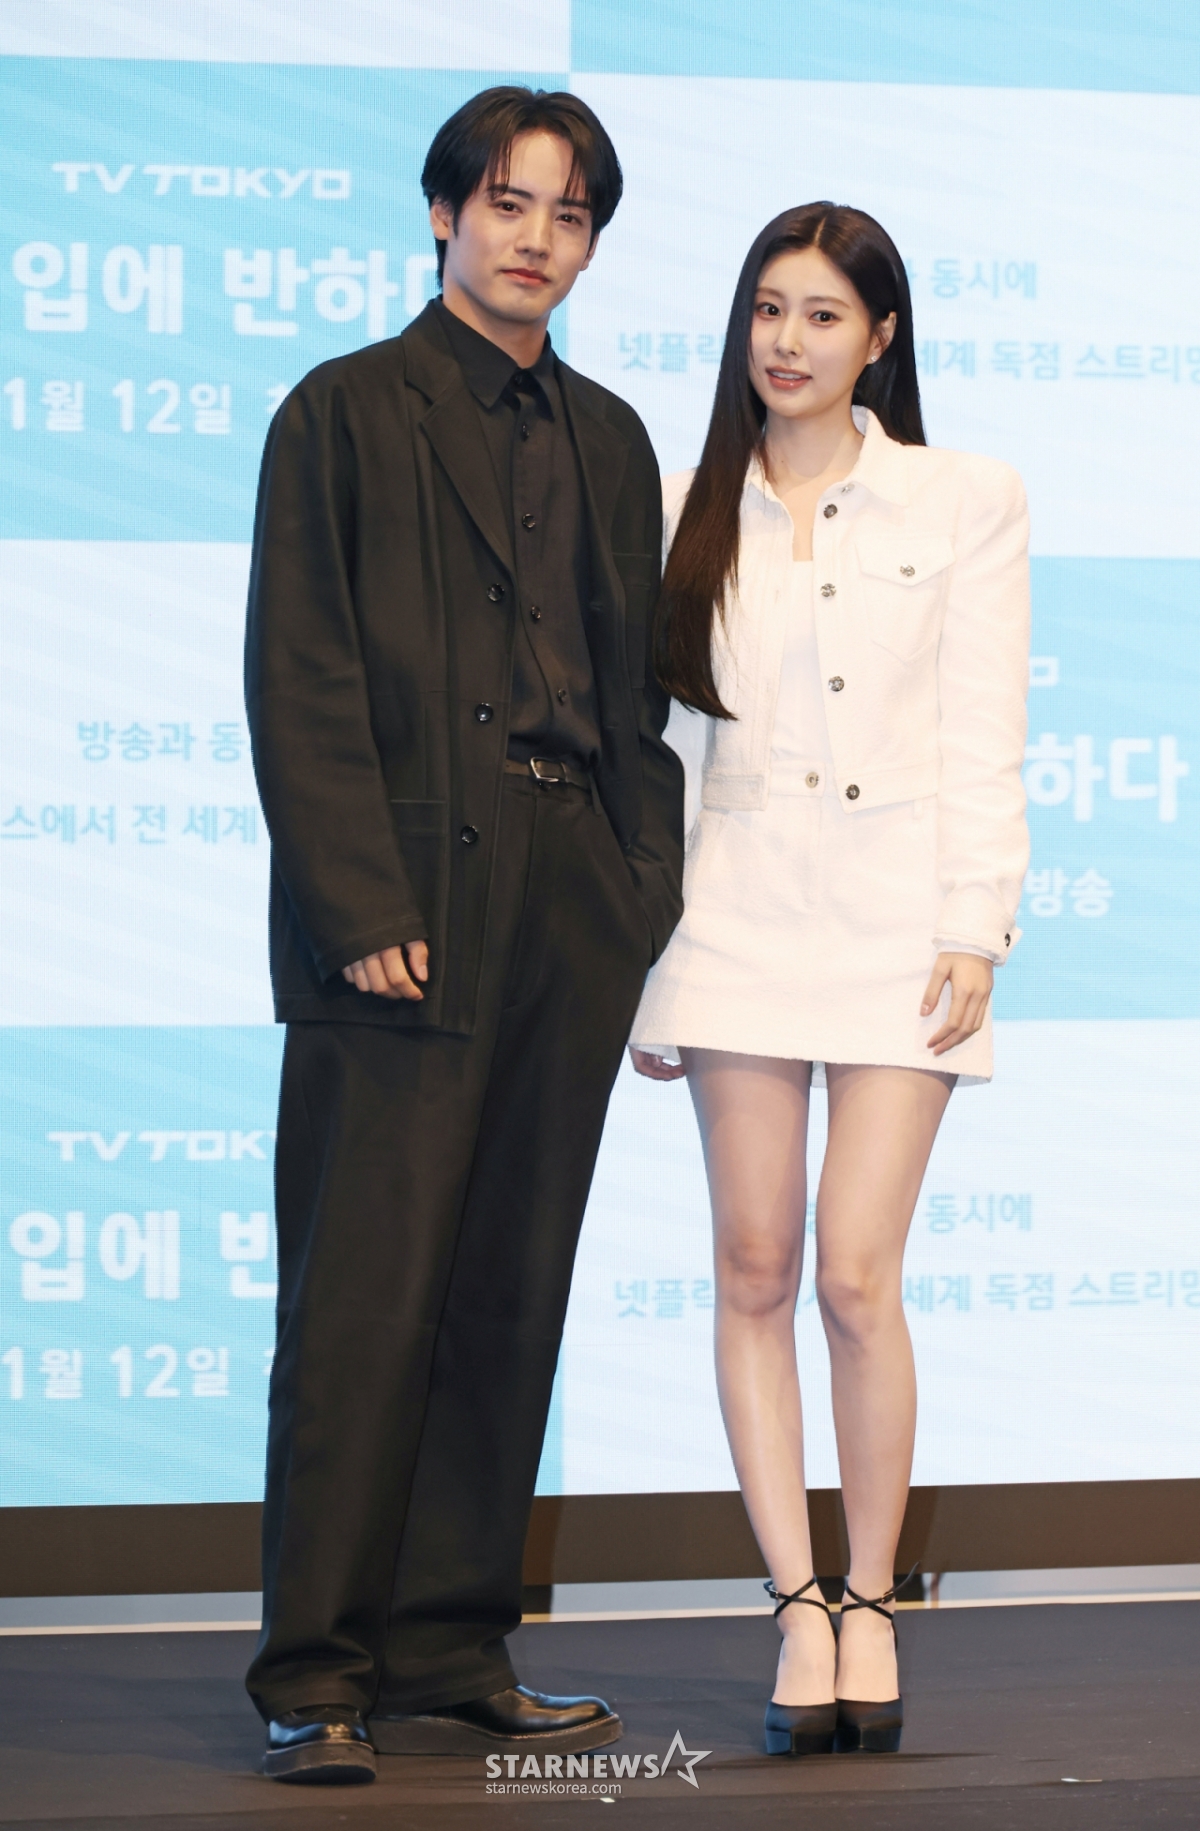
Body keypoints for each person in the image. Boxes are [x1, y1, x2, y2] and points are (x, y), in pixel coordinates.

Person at [243, 86, 684, 1785]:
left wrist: (638, 889)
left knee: (511, 1286)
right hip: (408, 904)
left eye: (568, 216)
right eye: (507, 203)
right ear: (443, 214)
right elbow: (300, 672)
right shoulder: (342, 412)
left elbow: (632, 692)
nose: (534, 239)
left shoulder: (616, 435)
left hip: (571, 897)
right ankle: (315, 1668)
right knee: (363, 1298)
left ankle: (449, 1643)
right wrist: (358, 904)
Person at [631, 203, 1029, 1757]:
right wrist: (655, 968)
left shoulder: (964, 495)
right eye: (767, 312)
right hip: (731, 919)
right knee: (752, 1266)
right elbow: (662, 754)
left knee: (857, 1270)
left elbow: (984, 725)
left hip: (896, 922)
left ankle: (872, 1595)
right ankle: (795, 1602)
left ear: (882, 337)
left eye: (822, 315)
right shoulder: (680, 503)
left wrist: (974, 925)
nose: (787, 342)